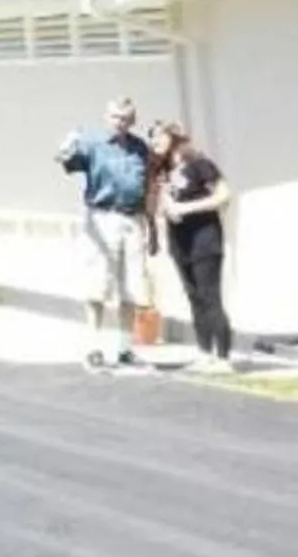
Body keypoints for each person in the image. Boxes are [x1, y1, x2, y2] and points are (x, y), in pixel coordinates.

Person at [58, 96, 153, 371]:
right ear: (107, 117)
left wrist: (149, 222)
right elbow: (69, 163)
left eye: (125, 118)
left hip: (132, 218)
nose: (119, 123)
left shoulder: (139, 148)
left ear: (132, 120)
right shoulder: (94, 144)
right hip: (103, 216)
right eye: (115, 117)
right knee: (98, 284)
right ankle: (93, 347)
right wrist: (66, 148)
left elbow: (146, 184)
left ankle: (125, 349)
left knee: (132, 286)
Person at [148, 119, 235, 373]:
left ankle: (223, 358)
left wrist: (186, 208)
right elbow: (164, 202)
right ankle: (204, 352)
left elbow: (223, 195)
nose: (154, 142)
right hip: (179, 240)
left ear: (174, 138)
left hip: (204, 238)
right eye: (152, 138)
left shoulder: (199, 164)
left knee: (210, 296)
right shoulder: (164, 171)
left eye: (159, 136)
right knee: (194, 296)